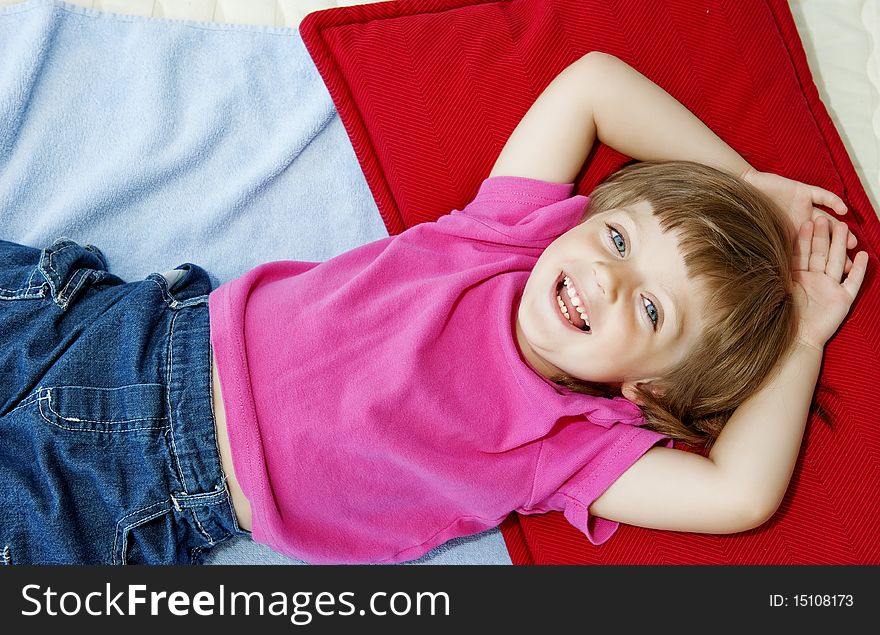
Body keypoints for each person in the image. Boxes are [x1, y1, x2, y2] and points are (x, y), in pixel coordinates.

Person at [0, 52, 868, 565]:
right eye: (617, 243)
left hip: (138, 491)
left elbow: (740, 493)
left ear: (648, 392)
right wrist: (747, 187)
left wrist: (803, 337)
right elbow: (593, 82)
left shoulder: (572, 448)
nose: (605, 281)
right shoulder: (505, 238)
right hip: (127, 333)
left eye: (649, 311)